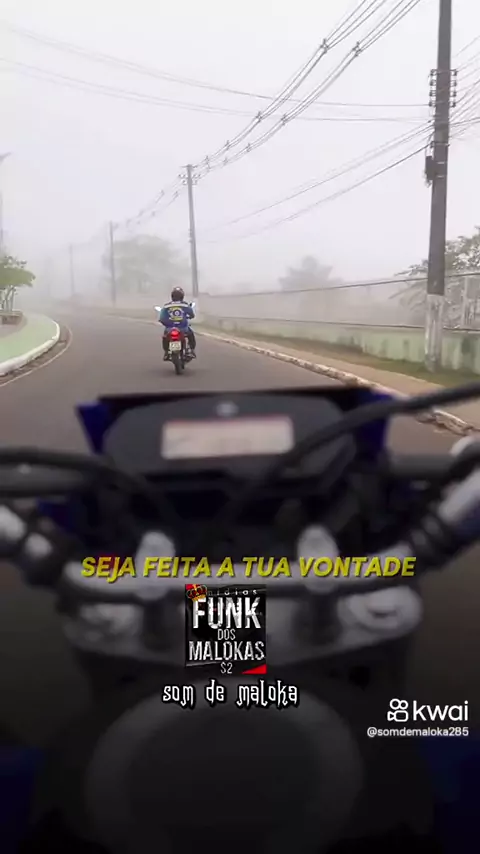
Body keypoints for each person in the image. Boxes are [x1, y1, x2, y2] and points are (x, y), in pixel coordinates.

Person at [158, 287, 196, 360]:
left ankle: (166, 352)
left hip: (170, 328)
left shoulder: (166, 306)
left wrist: (163, 321)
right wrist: (190, 317)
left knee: (165, 337)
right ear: (182, 296)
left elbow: (162, 317)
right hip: (183, 328)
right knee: (191, 335)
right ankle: (191, 350)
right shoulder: (185, 305)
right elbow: (191, 314)